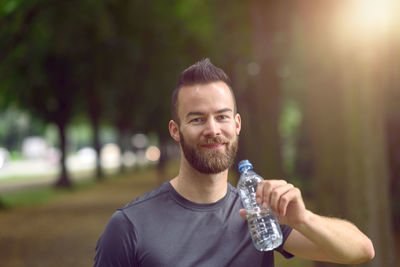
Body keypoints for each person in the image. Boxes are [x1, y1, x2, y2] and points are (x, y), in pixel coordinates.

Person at [94, 58, 375, 267]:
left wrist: (303, 219)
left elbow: (362, 250)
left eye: (222, 116)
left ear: (237, 124)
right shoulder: (129, 226)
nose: (213, 129)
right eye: (197, 119)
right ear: (175, 130)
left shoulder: (259, 212)